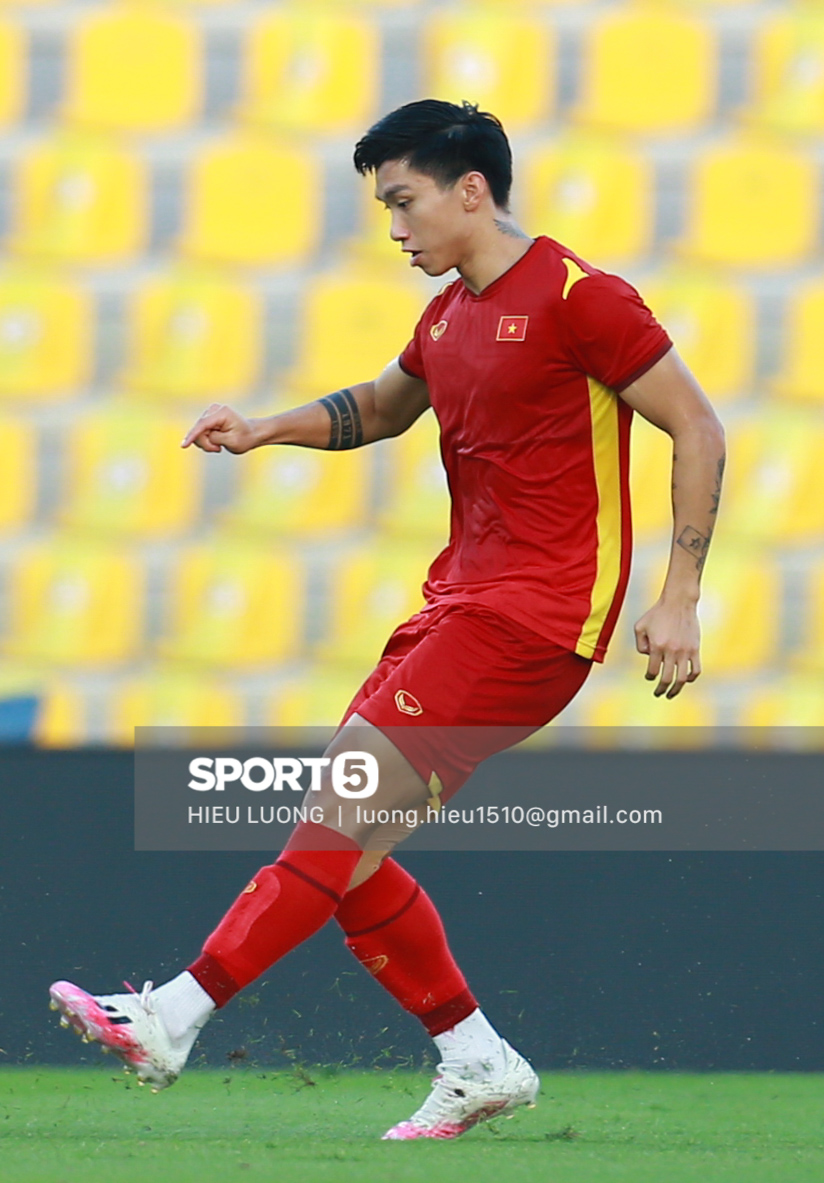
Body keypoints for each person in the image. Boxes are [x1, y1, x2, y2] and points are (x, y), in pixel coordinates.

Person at [48, 101, 726, 1140]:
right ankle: (475, 1057)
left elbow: (695, 424)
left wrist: (676, 594)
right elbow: (381, 404)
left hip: (535, 616)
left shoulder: (580, 298)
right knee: (348, 846)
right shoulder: (447, 314)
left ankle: (173, 1015)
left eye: (403, 201)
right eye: (383, 208)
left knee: (335, 808)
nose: (395, 227)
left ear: (470, 189)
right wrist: (263, 426)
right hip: (457, 601)